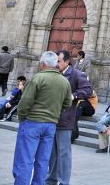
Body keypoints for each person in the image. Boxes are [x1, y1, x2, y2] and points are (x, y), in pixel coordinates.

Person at [12, 51, 72, 185]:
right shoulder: (64, 81)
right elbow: (67, 103)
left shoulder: (37, 78)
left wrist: (22, 117)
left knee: (25, 159)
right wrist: (55, 111)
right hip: (51, 125)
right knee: (43, 160)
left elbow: (24, 102)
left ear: (43, 64)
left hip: (33, 122)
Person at [46, 50, 92, 185]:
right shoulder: (54, 74)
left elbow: (88, 90)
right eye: (55, 61)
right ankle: (51, 179)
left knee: (64, 153)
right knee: (52, 153)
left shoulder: (76, 74)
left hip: (65, 120)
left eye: (59, 61)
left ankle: (63, 181)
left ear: (67, 62)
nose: (56, 64)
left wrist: (73, 96)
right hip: (51, 118)